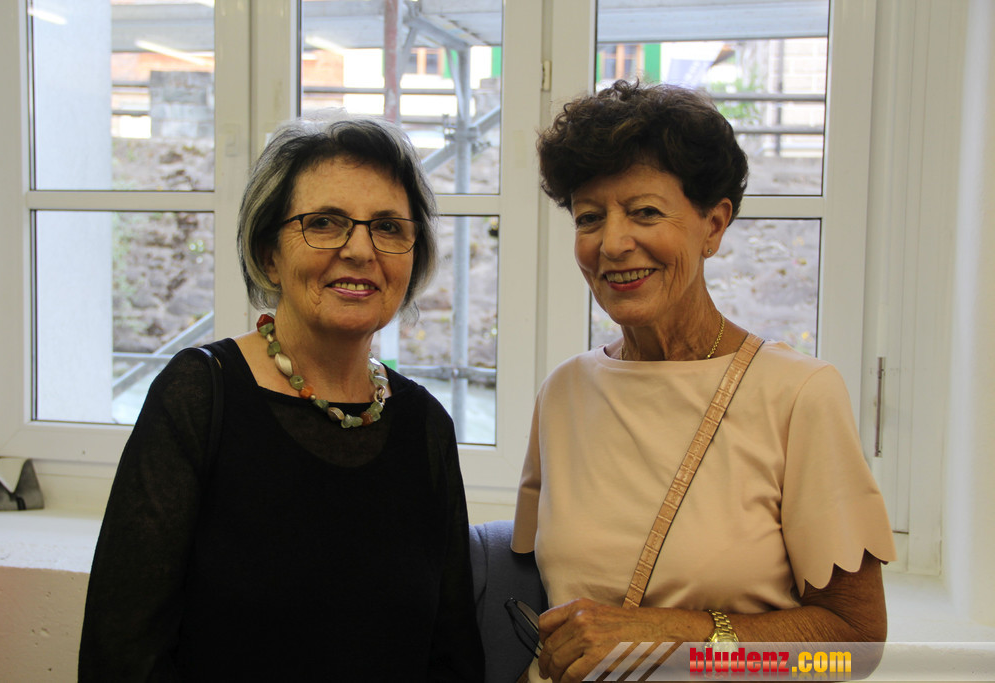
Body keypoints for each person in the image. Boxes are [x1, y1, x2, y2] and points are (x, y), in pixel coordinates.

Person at [511, 81, 896, 683]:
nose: (613, 243)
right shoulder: (564, 392)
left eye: (645, 212)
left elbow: (852, 650)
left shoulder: (799, 395)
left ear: (713, 225)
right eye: (589, 218)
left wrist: (678, 636)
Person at [79, 114, 484, 681]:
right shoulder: (200, 395)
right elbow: (122, 654)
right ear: (270, 253)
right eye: (325, 222)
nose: (361, 250)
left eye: (389, 227)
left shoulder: (425, 425)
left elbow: (453, 654)